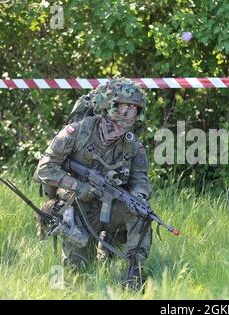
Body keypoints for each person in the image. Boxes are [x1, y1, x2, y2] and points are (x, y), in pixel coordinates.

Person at [34, 78, 152, 290]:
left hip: (110, 205)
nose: (127, 113)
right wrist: (78, 186)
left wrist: (139, 196)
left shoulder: (133, 145)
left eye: (133, 108)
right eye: (122, 106)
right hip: (77, 204)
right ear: (107, 107)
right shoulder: (76, 132)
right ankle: (51, 212)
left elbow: (140, 179)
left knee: (141, 214)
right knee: (76, 275)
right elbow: (45, 168)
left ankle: (134, 277)